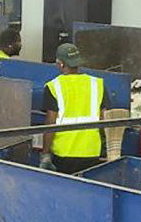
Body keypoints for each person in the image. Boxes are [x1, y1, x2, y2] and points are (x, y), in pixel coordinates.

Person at [40, 43, 111, 174]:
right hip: (91, 152)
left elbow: (50, 124)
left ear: (60, 64)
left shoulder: (53, 86)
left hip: (63, 155)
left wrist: (45, 154)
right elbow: (104, 119)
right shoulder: (97, 84)